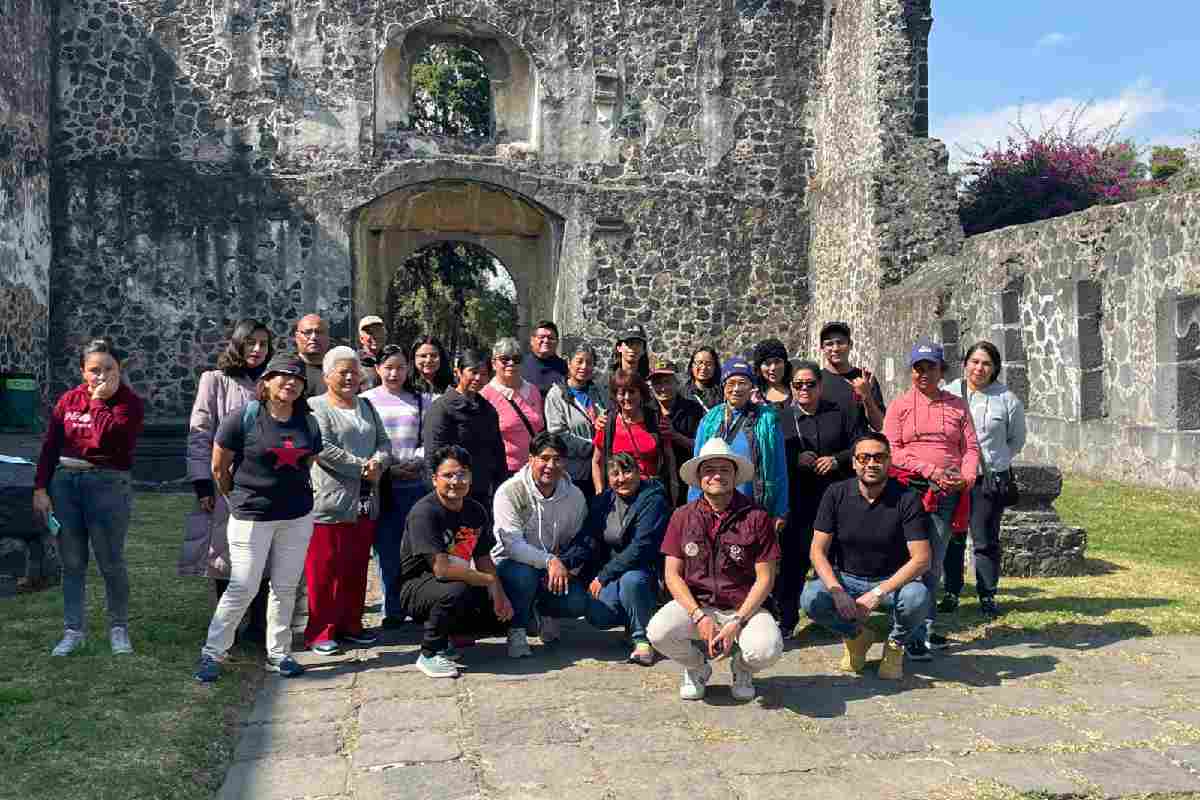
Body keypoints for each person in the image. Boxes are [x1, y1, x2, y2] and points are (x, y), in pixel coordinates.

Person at [193, 354, 321, 682]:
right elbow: (219, 468)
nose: (290, 382)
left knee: (285, 586)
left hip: (296, 516)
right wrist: (235, 498)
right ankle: (213, 652)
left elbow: (307, 463)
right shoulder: (242, 418)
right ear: (266, 381)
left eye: (297, 378)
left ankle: (279, 654)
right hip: (252, 516)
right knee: (244, 585)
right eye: (282, 376)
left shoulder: (308, 422)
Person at [647, 438, 783, 701]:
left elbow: (765, 579)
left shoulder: (757, 517)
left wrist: (737, 621)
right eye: (709, 470)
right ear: (699, 477)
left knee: (766, 650)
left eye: (724, 469)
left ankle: (742, 668)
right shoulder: (682, 516)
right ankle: (696, 667)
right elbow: (672, 575)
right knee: (658, 632)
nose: (716, 475)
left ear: (735, 475)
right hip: (697, 605)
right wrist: (698, 616)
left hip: (743, 607)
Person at [34, 337, 146, 657]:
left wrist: (98, 403)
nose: (101, 376)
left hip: (107, 484)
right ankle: (73, 630)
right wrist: (40, 488)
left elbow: (109, 440)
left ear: (119, 369)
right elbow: (50, 446)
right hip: (65, 484)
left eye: (108, 369)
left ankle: (118, 627)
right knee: (72, 562)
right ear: (83, 371)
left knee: (110, 562)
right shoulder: (68, 400)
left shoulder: (128, 404)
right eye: (94, 370)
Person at [800, 432, 932, 681]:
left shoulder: (907, 498)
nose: (871, 463)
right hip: (847, 578)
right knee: (810, 599)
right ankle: (857, 636)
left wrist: (877, 594)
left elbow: (921, 558)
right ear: (853, 462)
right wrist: (837, 591)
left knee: (918, 597)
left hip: (892, 581)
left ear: (889, 461)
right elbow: (817, 551)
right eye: (864, 457)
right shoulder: (835, 493)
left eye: (879, 457)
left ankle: (896, 644)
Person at [883, 339, 980, 660]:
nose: (924, 374)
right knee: (909, 558)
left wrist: (966, 477)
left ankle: (924, 625)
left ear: (941, 371)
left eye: (930, 368)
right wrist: (929, 470)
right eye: (918, 368)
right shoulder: (899, 405)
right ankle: (905, 628)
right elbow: (892, 450)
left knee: (934, 560)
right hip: (910, 490)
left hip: (946, 493)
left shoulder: (957, 406)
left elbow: (970, 448)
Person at [181, 318, 273, 646]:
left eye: (263, 343)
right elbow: (200, 431)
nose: (258, 350)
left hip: (265, 482)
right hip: (225, 482)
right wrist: (202, 481)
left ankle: (259, 625)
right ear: (238, 344)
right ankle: (227, 625)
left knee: (263, 553)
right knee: (225, 555)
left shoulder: (273, 381)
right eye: (251, 343)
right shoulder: (216, 381)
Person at [396, 446, 514, 679]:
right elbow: (441, 570)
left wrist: (498, 593)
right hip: (418, 586)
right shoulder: (425, 512)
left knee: (501, 604)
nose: (455, 481)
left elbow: (482, 558)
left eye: (462, 474)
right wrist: (488, 581)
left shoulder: (475, 510)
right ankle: (430, 653)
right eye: (448, 475)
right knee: (456, 589)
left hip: (456, 577)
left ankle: (452, 637)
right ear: (434, 479)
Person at [305, 347, 393, 655]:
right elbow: (323, 448)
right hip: (331, 501)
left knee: (355, 567)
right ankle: (320, 631)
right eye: (342, 371)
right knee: (324, 569)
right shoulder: (315, 407)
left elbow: (384, 441)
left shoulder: (366, 405)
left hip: (366, 501)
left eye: (354, 372)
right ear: (327, 375)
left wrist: (379, 462)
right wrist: (361, 466)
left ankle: (351, 625)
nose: (349, 377)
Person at [774, 359, 864, 637]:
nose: (804, 389)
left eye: (810, 384)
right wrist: (795, 458)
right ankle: (787, 621)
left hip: (836, 501)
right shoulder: (781, 419)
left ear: (820, 386)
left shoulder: (841, 413)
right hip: (799, 502)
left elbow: (859, 445)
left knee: (837, 561)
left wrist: (836, 460)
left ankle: (840, 616)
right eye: (798, 385)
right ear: (791, 387)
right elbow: (774, 455)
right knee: (793, 562)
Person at [559, 452, 672, 666]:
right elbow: (588, 538)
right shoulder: (604, 500)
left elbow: (642, 548)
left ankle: (642, 639)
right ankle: (632, 620)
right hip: (613, 571)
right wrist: (562, 563)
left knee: (632, 580)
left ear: (639, 473)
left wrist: (602, 576)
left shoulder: (654, 500)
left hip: (644, 570)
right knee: (597, 615)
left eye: (627, 471)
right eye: (615, 473)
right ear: (608, 478)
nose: (621, 478)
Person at [941, 341, 1027, 617]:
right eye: (975, 361)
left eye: (986, 363)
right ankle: (952, 591)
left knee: (985, 539)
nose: (979, 368)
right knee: (953, 537)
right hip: (954, 477)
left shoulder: (1007, 399)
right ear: (965, 363)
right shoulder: (948, 393)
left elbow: (1016, 440)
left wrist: (993, 462)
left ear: (995, 368)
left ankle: (987, 594)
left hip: (987, 479)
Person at [492, 432, 589, 657]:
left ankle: (543, 611)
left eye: (557, 459)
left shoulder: (575, 496)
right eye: (544, 458)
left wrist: (564, 565)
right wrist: (549, 561)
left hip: (554, 565)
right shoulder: (510, 491)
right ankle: (516, 629)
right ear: (531, 459)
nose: (551, 465)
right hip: (513, 565)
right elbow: (511, 545)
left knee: (577, 602)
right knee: (523, 575)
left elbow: (578, 540)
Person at [362, 345, 432, 627]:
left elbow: (428, 438)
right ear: (378, 369)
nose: (394, 373)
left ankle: (417, 603)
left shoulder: (420, 400)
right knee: (387, 549)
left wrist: (414, 462)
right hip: (382, 484)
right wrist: (388, 468)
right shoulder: (365, 401)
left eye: (400, 367)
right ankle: (392, 608)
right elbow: (365, 441)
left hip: (414, 482)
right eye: (388, 367)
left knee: (417, 548)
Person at [689, 357, 788, 532]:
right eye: (730, 383)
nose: (736, 389)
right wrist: (693, 508)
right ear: (723, 386)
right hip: (714, 506)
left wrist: (780, 510)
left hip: (755, 505)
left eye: (742, 382)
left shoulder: (767, 420)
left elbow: (779, 467)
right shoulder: (710, 420)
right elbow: (697, 466)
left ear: (751, 387)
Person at [423, 348, 508, 508]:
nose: (478, 378)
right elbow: (432, 458)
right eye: (473, 372)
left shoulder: (488, 409)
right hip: (451, 495)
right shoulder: (442, 409)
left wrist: (500, 488)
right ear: (458, 372)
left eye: (484, 374)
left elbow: (498, 454)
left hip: (482, 495)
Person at [592, 369, 677, 499]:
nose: (627, 397)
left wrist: (673, 489)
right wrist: (600, 493)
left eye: (632, 392)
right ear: (615, 396)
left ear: (641, 394)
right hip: (618, 493)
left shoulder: (655, 420)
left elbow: (669, 457)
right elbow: (597, 461)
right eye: (622, 393)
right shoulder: (607, 423)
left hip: (651, 492)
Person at [543, 345, 605, 501]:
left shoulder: (599, 392)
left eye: (589, 363)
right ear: (569, 363)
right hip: (575, 471)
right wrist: (593, 448)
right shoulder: (557, 394)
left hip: (601, 468)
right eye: (579, 361)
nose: (584, 367)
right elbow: (558, 434)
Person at [480, 337, 545, 480]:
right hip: (504, 472)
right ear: (493, 363)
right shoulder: (485, 396)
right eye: (504, 359)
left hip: (535, 469)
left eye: (516, 359)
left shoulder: (533, 391)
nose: (511, 363)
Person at [648, 358, 704, 506]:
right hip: (654, 483)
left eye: (667, 382)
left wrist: (676, 436)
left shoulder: (693, 411)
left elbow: (702, 448)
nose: (663, 388)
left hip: (687, 482)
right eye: (658, 383)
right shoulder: (646, 412)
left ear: (677, 383)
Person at [818, 321, 886, 432]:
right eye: (829, 344)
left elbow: (879, 426)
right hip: (827, 449)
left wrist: (866, 396)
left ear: (851, 345)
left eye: (840, 343)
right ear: (822, 348)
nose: (835, 348)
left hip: (859, 447)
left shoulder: (867, 379)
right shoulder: (814, 381)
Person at [520, 319, 568, 394]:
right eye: (541, 337)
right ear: (532, 340)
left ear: (557, 342)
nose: (546, 341)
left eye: (551, 338)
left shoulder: (565, 367)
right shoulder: (520, 364)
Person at [294, 313, 330, 397]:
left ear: (327, 337)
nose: (313, 337)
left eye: (319, 332)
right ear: (297, 337)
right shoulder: (288, 369)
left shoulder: (336, 370)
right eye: (307, 332)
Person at [752, 338, 792, 409]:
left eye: (777, 362)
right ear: (759, 368)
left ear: (785, 364)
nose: (773, 368)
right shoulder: (753, 397)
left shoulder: (798, 391)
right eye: (767, 363)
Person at [683, 346, 722, 411]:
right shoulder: (682, 393)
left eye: (709, 364)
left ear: (715, 367)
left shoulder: (722, 393)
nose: (703, 367)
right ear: (692, 365)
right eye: (699, 362)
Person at [357, 315, 387, 390]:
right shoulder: (354, 362)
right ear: (361, 338)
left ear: (385, 335)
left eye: (378, 331)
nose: (375, 336)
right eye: (370, 332)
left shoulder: (394, 359)